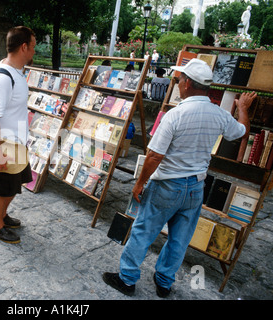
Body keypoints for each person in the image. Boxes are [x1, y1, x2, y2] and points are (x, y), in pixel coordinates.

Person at [103, 58, 257, 297]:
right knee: (179, 239)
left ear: (188, 84)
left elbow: (154, 156)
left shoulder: (176, 115)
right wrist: (243, 109)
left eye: (180, 79)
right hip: (195, 187)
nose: (178, 83)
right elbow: (242, 131)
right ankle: (164, 282)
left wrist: (140, 183)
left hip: (167, 185)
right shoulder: (218, 114)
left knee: (143, 232)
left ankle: (127, 279)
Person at [0, 26, 36, 244]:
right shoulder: (3, 78)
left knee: (15, 184)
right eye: (33, 47)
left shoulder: (15, 71)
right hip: (5, 146)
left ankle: (1, 215)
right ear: (24, 47)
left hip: (17, 144)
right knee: (2, 187)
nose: (34, 51)